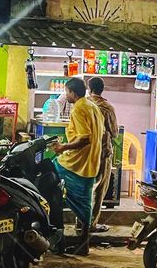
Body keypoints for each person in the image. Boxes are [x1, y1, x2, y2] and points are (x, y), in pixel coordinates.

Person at [49, 77, 103, 256]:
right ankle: (83, 244)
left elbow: (84, 137)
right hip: (91, 162)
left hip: (76, 163)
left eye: (67, 92)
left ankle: (55, 231)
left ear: (72, 92)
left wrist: (63, 147)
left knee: (51, 178)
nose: (66, 95)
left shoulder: (79, 108)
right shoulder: (92, 106)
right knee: (85, 203)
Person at [87, 77, 118, 233]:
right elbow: (115, 132)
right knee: (99, 188)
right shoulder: (107, 107)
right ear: (102, 89)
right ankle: (91, 223)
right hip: (102, 152)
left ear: (89, 88)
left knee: (85, 187)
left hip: (84, 152)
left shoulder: (83, 105)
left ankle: (82, 221)